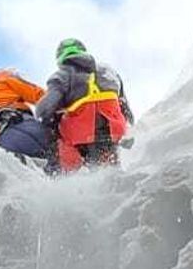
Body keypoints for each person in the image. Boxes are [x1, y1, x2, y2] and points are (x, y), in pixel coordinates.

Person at [36, 38, 133, 172]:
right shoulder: (109, 72)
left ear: (60, 57)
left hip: (81, 136)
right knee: (111, 169)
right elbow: (126, 110)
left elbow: (44, 110)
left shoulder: (62, 75)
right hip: (114, 132)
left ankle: (61, 175)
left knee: (52, 133)